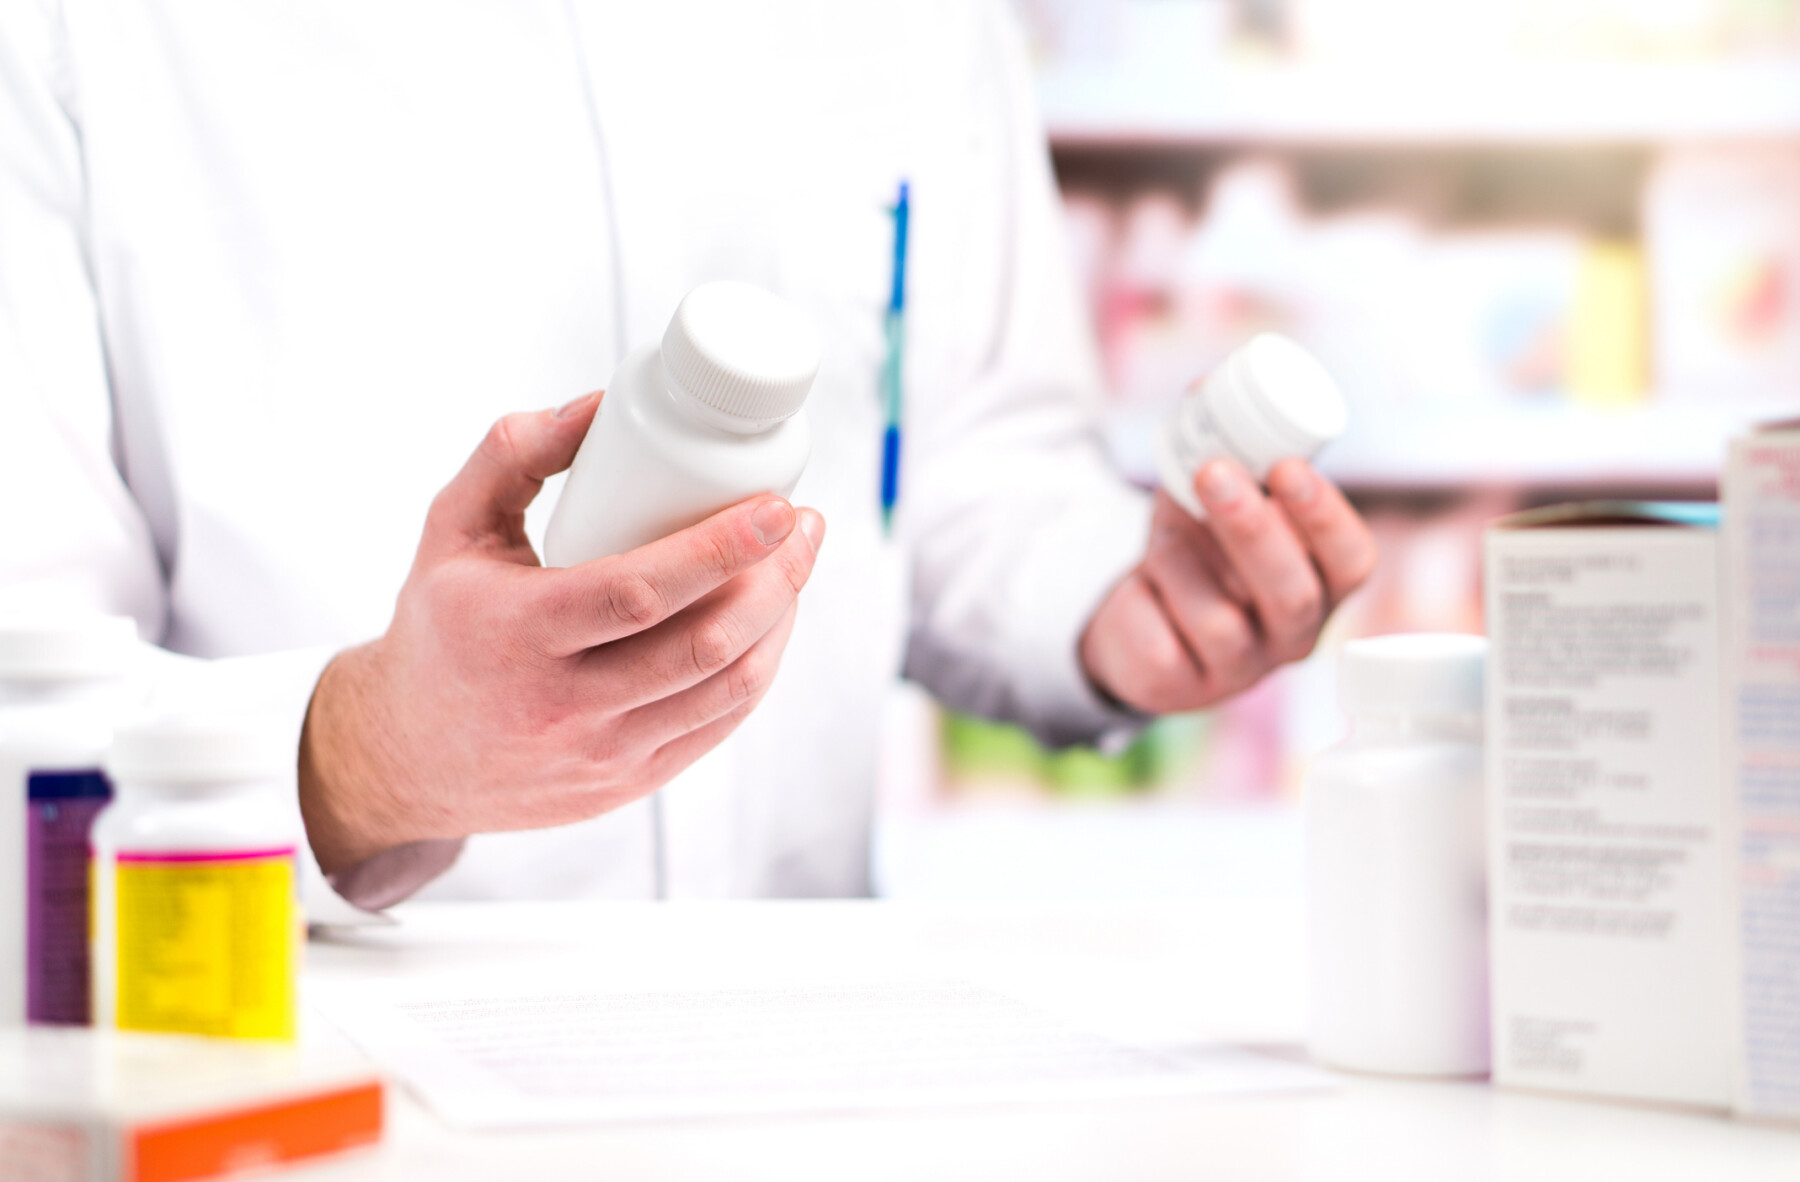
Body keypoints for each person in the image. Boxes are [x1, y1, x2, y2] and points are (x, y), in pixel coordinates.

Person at [0, 0, 1374, 920]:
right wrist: (364, 758)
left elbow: (957, 462)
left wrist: (1107, 604)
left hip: (790, 1059)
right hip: (310, 1060)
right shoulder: (81, 37)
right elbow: (25, 681)